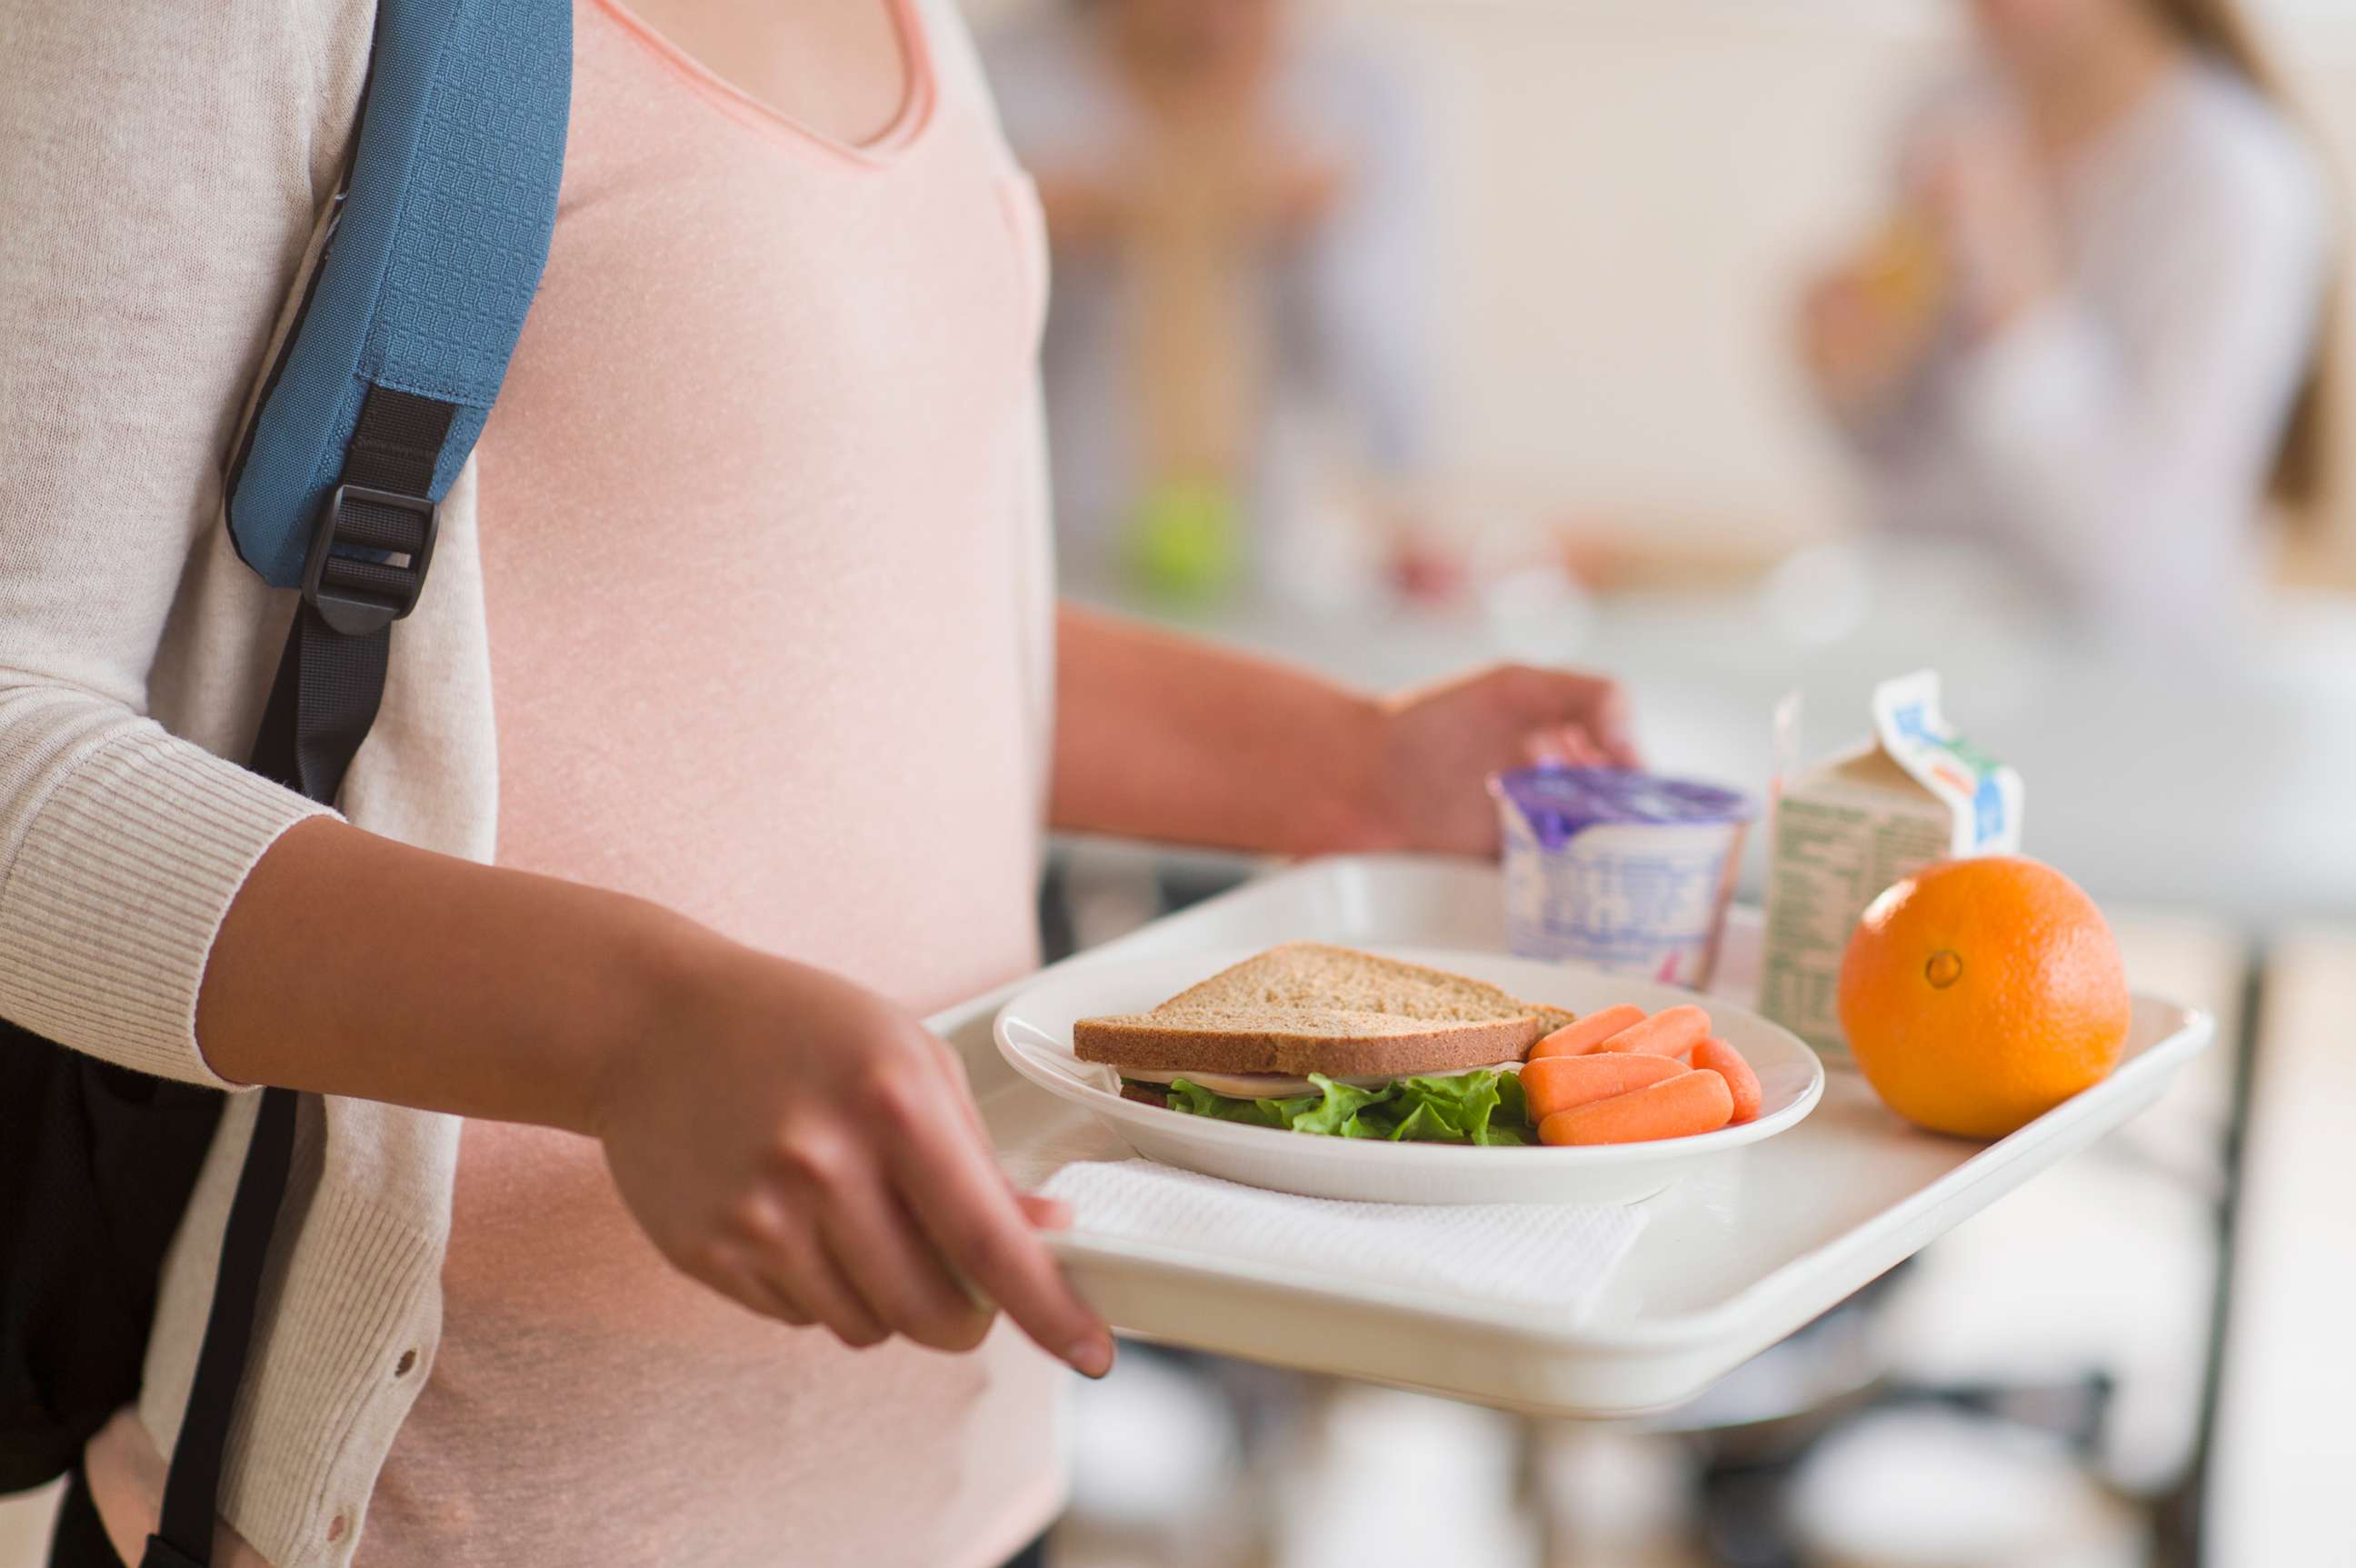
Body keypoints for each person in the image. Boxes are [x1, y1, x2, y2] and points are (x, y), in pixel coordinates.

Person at [0, 3, 1633, 1566]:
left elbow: (838, 606)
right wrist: (635, 1033)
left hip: (963, 1483)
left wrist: (1345, 767)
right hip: (468, 1512)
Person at [1797, 0, 2333, 639]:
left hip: (2138, 677)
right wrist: (1855, 385)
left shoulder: (2237, 183)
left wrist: (2019, 313)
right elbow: (1918, 488)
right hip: (1930, 642)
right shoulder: (1947, 114)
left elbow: (2150, 571)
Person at [984, 0, 1435, 605]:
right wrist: (1043, 236)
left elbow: (1402, 428)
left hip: (1285, 570)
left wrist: (1320, 242)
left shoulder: (1366, 96)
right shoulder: (998, 86)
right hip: (1044, 565)